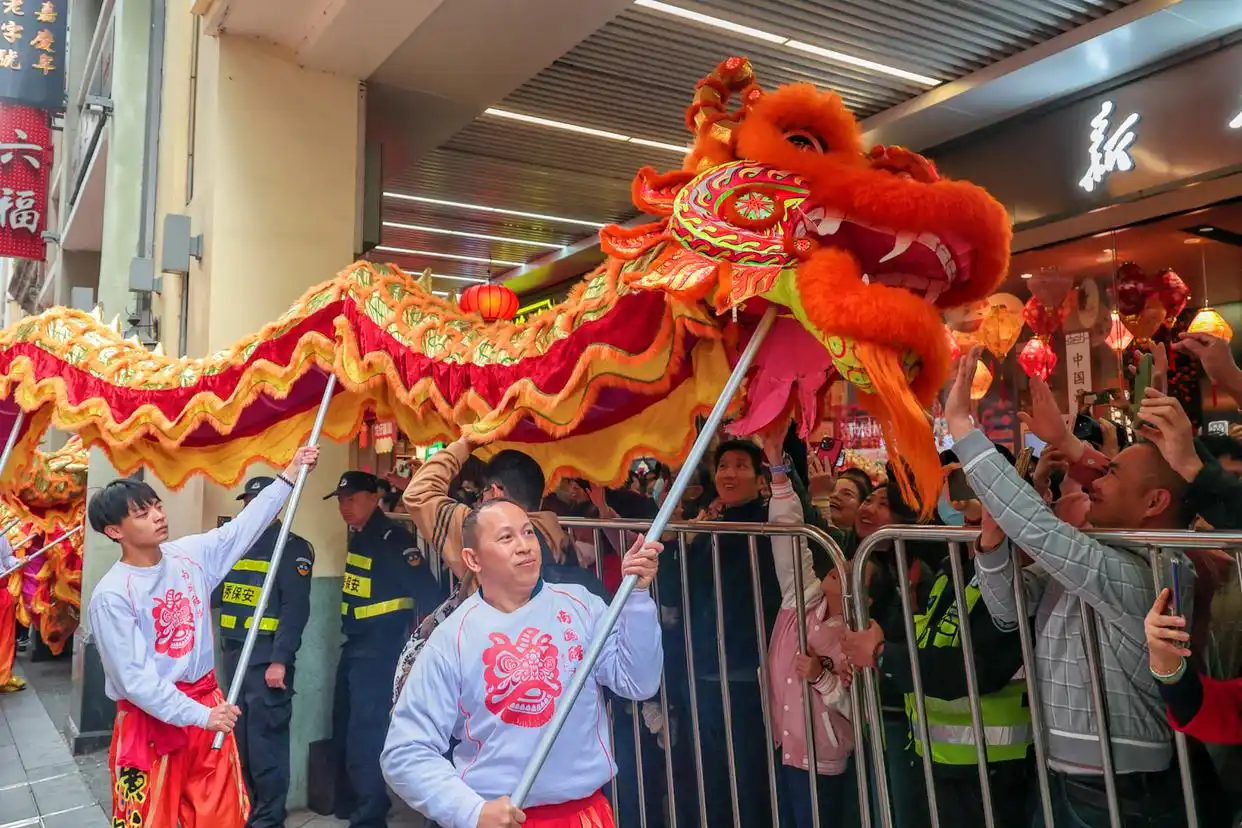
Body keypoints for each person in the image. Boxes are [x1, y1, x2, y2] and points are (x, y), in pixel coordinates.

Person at [947, 348, 1196, 828]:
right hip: (1066, 777)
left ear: (1154, 502)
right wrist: (994, 548)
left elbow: (1040, 531)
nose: (1097, 479)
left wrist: (963, 428)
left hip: (1116, 792)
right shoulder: (1098, 558)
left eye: (1114, 472)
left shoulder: (1150, 573)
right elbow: (1007, 611)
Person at [381, 498, 663, 828]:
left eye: (528, 532)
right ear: (473, 559)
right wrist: (471, 811)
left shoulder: (580, 606)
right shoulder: (453, 638)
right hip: (500, 819)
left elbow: (638, 682)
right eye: (506, 538)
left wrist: (637, 599)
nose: (524, 546)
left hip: (585, 814)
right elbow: (405, 751)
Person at [86, 447, 319, 827]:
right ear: (115, 531)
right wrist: (202, 715)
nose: (159, 516)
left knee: (219, 816)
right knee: (148, 819)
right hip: (152, 725)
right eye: (142, 514)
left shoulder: (190, 556)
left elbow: (243, 528)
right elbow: (136, 683)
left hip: (206, 710)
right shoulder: (113, 595)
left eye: (157, 506)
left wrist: (290, 474)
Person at [392, 435, 605, 706]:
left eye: (482, 494)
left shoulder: (480, 530)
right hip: (556, 673)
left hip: (498, 672)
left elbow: (418, 493)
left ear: (495, 492)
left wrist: (465, 444)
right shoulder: (558, 535)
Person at [330, 470, 446, 828]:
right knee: (346, 727)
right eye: (340, 501)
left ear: (373, 497)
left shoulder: (392, 539)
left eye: (351, 499)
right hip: (355, 646)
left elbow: (430, 595)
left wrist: (424, 651)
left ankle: (370, 815)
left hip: (381, 652)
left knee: (366, 734)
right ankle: (352, 803)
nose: (344, 507)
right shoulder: (361, 536)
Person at [216, 475, 315, 828]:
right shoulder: (237, 545)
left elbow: (295, 611)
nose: (251, 509)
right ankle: (248, 810)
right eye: (248, 503)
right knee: (240, 741)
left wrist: (280, 661)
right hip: (235, 658)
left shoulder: (291, 548)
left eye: (259, 503)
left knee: (265, 745)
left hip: (265, 662)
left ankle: (269, 819)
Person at [0, 534, 26, 693]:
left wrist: (18, 562)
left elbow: (6, 558)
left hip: (1, 591)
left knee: (5, 636)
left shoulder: (0, 534)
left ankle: (3, 677)